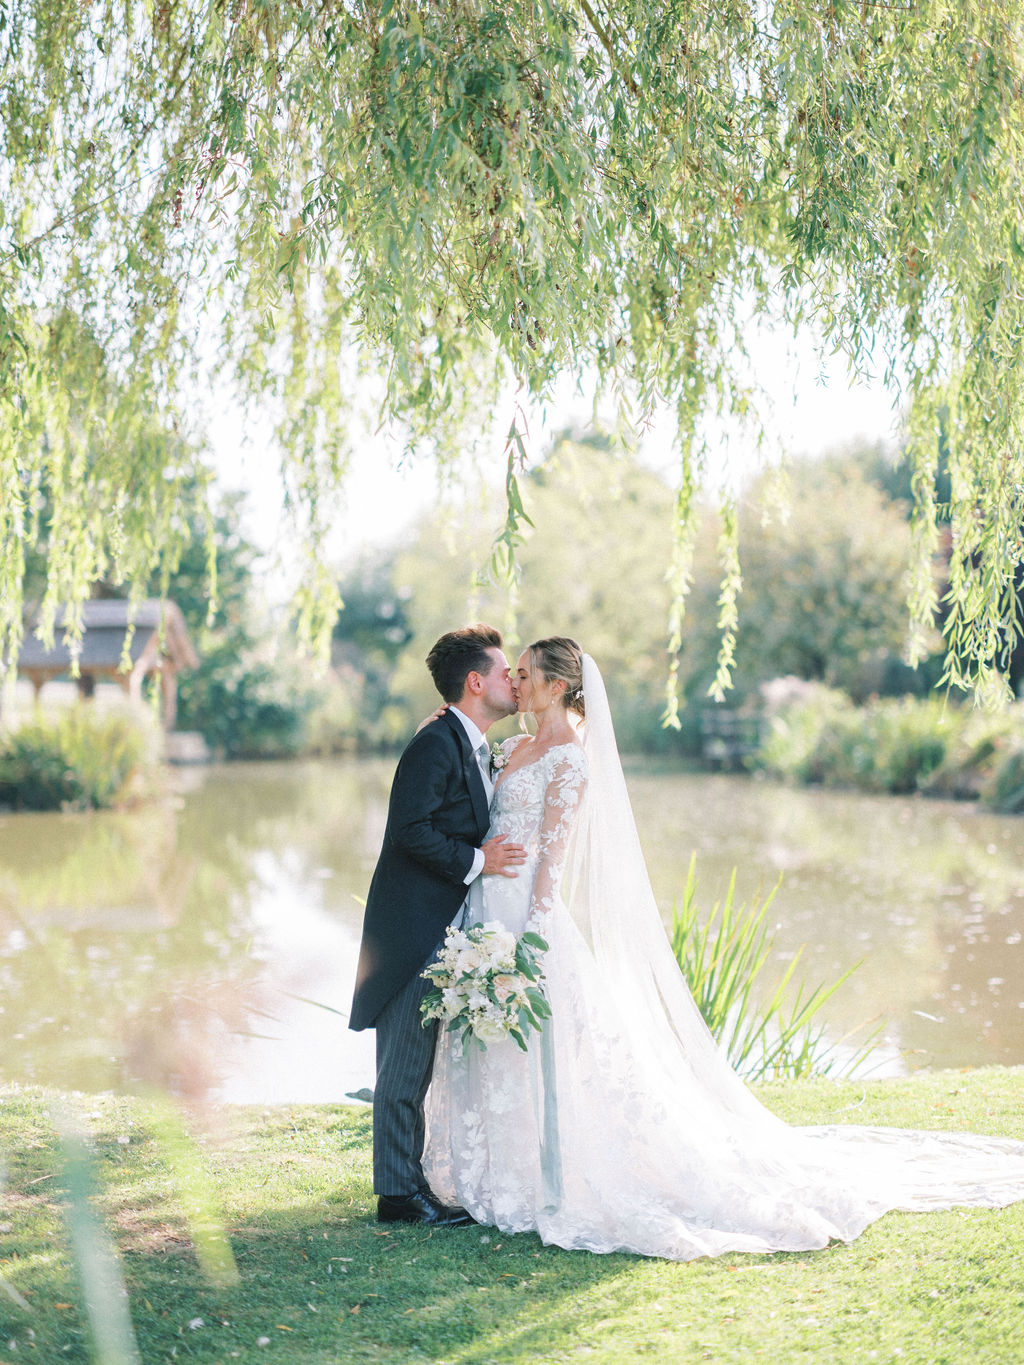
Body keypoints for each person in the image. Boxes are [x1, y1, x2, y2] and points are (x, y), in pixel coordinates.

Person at [422, 637, 1024, 1259]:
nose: (514, 683)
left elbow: (554, 853)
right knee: (494, 1042)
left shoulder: (572, 761)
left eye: (525, 674)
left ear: (556, 687)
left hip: (527, 916)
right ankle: (495, 1172)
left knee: (548, 1043)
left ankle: (549, 1178)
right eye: (512, 673)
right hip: (485, 906)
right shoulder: (512, 748)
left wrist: (536, 933)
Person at [349, 624, 525, 1226]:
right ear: (476, 682)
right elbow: (409, 830)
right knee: (403, 1066)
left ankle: (408, 1185)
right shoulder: (437, 743)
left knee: (418, 1064)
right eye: (506, 672)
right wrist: (481, 861)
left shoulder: (463, 741)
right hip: (410, 932)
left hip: (441, 928)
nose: (515, 680)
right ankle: (398, 1196)